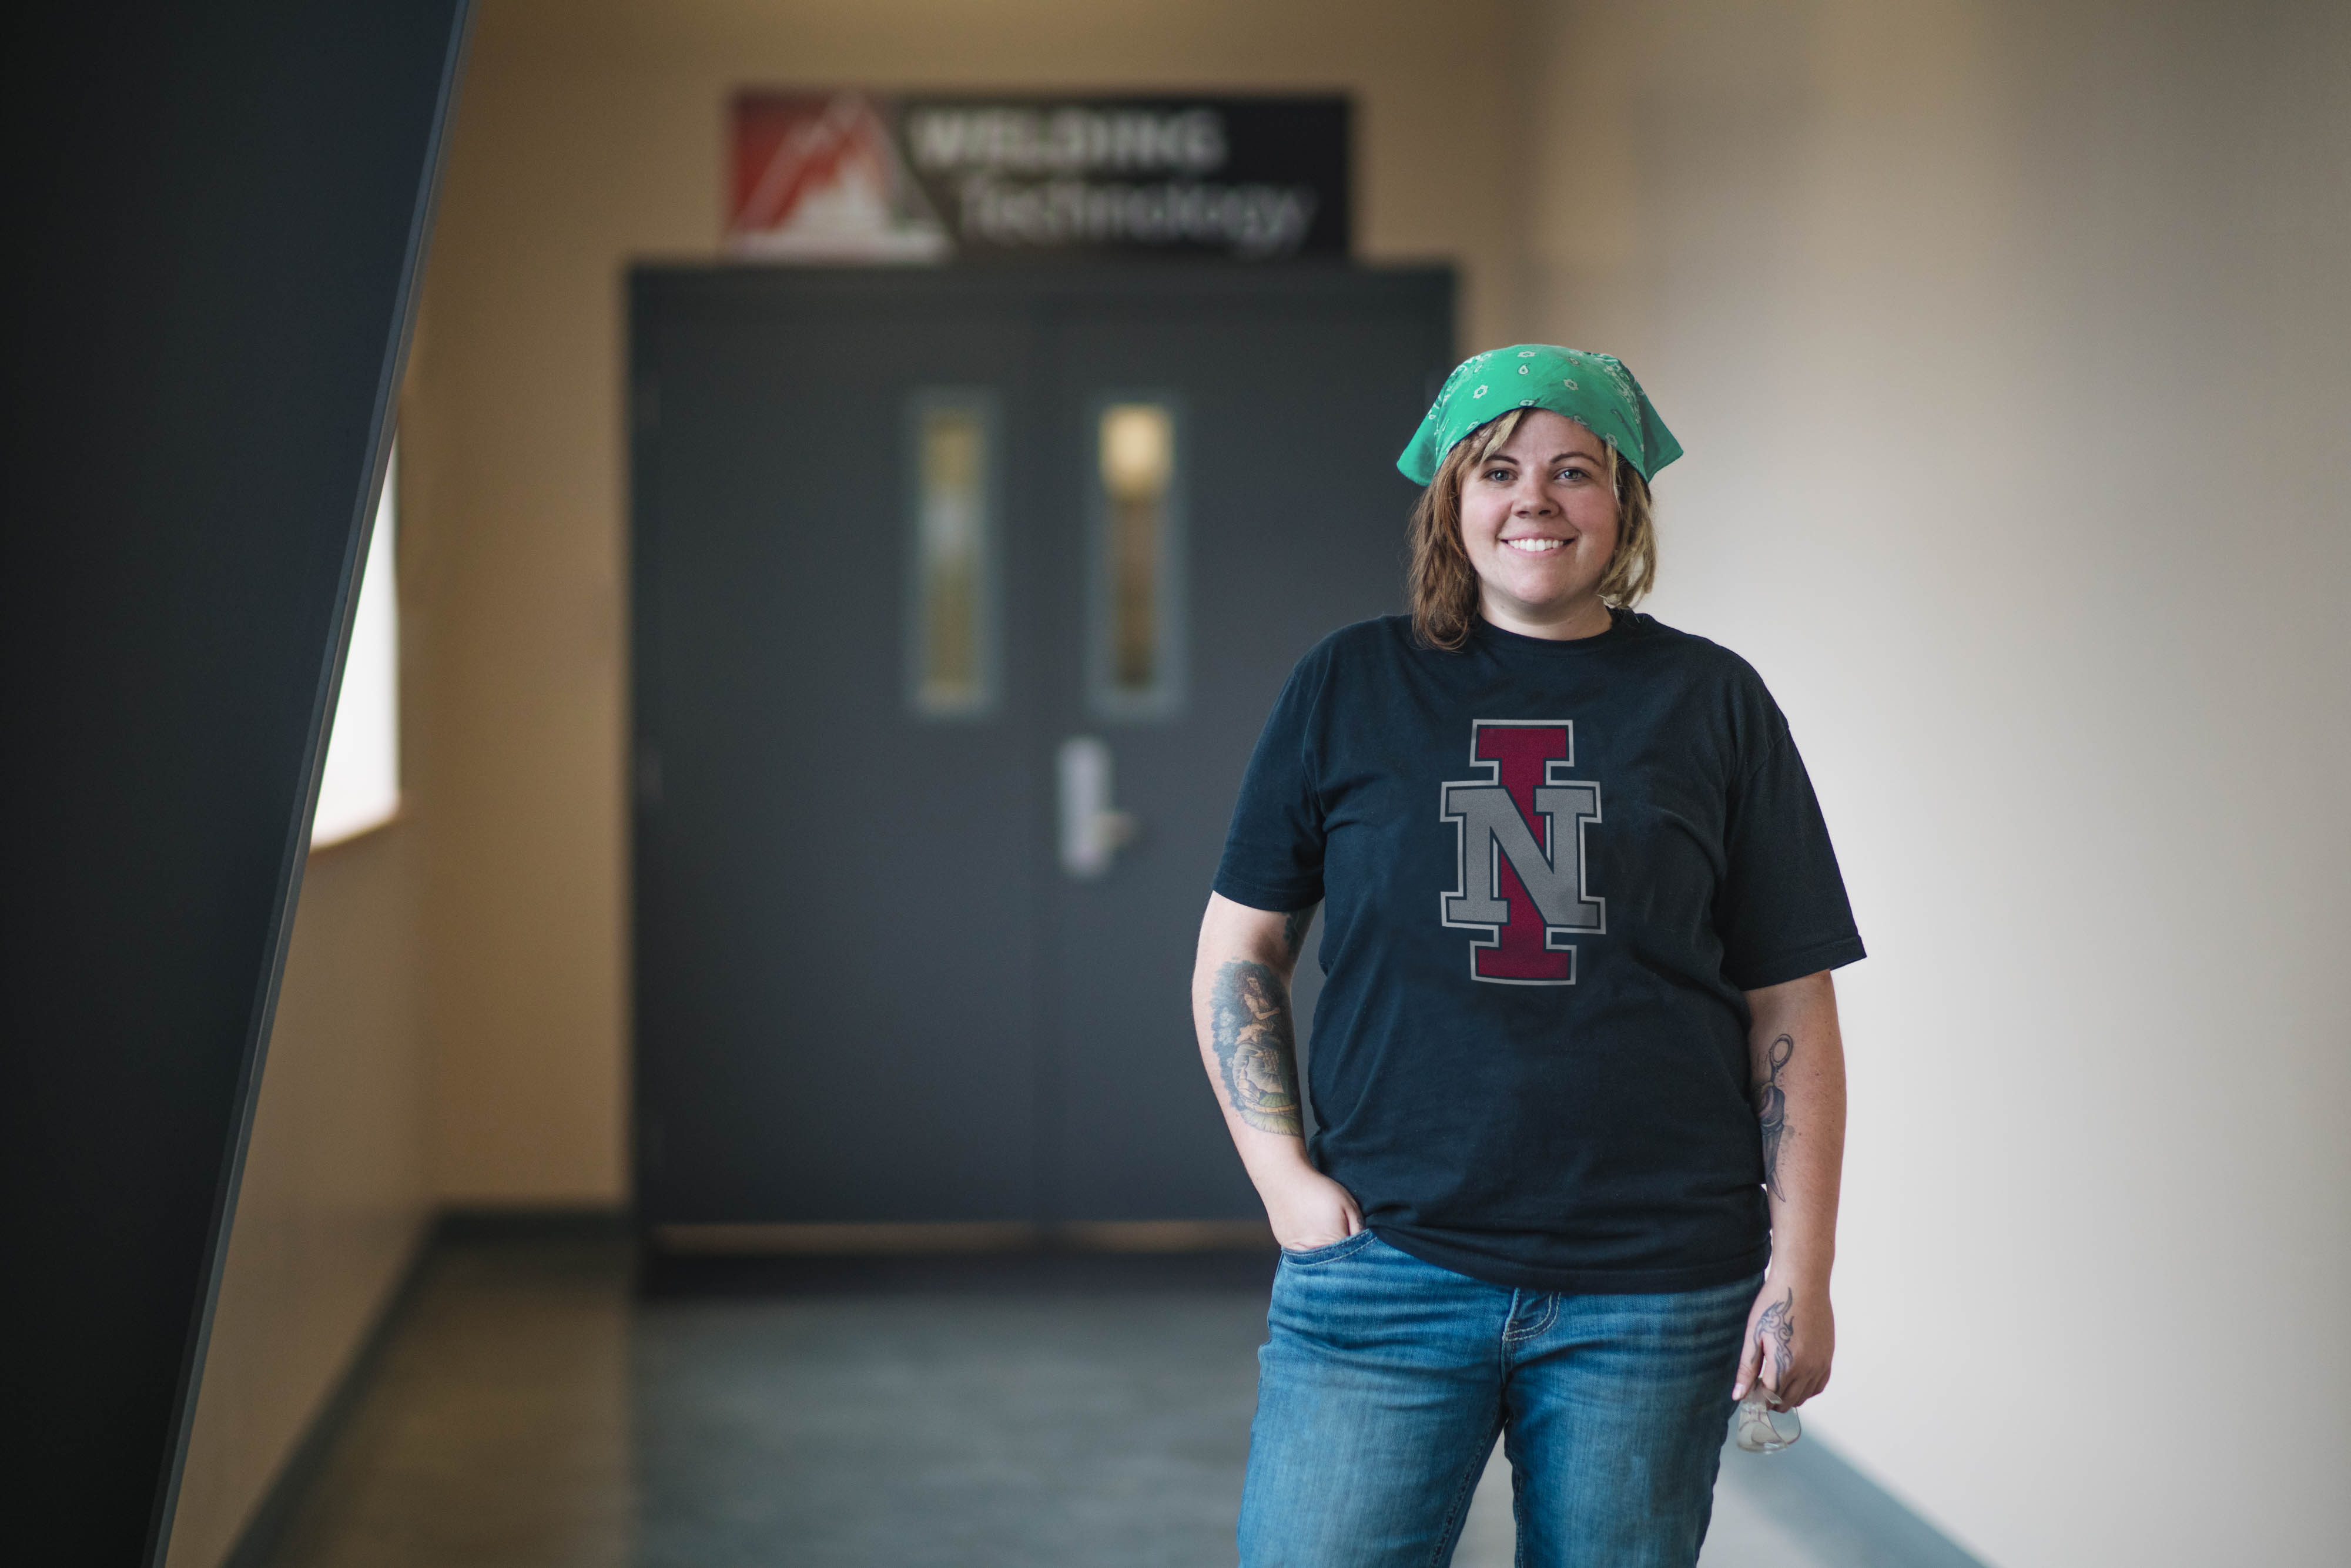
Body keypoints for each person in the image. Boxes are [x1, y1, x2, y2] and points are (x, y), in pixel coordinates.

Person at [1190, 346, 1864, 1567]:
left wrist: (1797, 1269)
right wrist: (1285, 1182)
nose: (1534, 500)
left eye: (1574, 471)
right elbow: (1240, 943)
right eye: (1498, 469)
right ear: (1452, 496)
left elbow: (1788, 996)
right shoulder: (1349, 681)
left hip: (1652, 1289)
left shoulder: (1711, 701)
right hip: (1383, 1266)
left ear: (1625, 502)